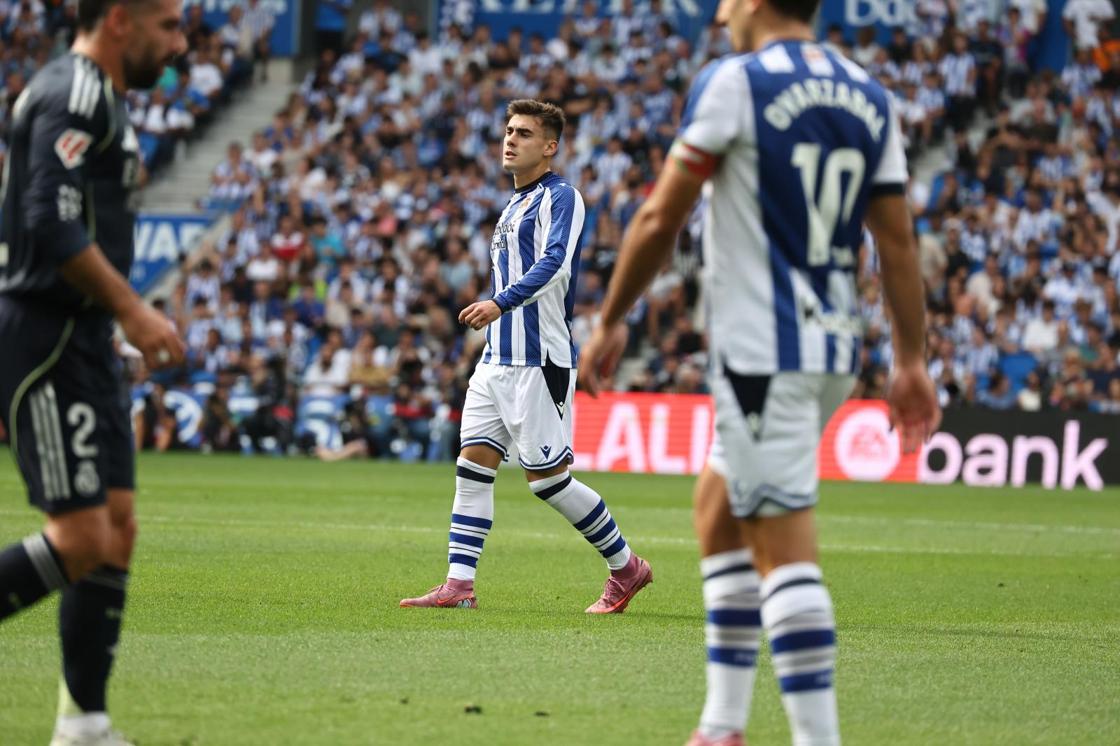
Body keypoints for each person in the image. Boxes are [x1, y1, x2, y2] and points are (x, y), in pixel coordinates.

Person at [579, 2, 941, 745]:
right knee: (718, 505)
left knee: (782, 546)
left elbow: (659, 217)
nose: (717, 12)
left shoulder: (736, 83)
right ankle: (722, 725)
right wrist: (908, 358)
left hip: (764, 355)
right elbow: (897, 242)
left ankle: (816, 737)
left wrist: (613, 318)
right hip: (832, 348)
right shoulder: (868, 94)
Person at [0, 1, 188, 744]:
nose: (178, 45)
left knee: (116, 531)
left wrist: (114, 320)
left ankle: (85, 725)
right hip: (46, 332)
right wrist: (133, 311)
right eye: (168, 25)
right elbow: (49, 217)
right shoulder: (74, 90)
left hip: (84, 333)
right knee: (78, 537)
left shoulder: (101, 98)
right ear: (120, 19)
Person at [400, 99, 652, 613]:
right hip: (496, 361)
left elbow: (556, 264)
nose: (510, 140)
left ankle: (626, 568)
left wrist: (499, 301)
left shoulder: (563, 197)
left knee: (549, 482)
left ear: (550, 146)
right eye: (508, 131)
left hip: (541, 361)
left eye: (524, 134)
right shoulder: (513, 204)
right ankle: (459, 585)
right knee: (472, 466)